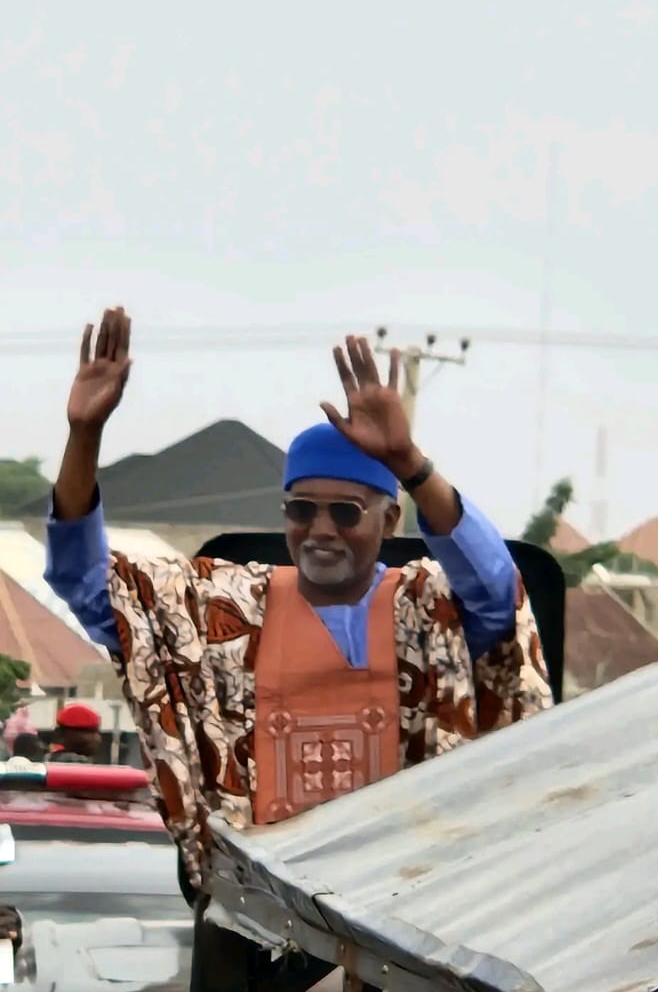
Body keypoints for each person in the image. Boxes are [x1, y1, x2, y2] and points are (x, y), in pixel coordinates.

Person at [45, 307, 552, 887]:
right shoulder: (224, 608)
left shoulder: (426, 610)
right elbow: (85, 583)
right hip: (267, 913)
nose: (321, 530)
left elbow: (496, 590)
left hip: (407, 898)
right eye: (302, 510)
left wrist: (409, 464)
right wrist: (84, 435)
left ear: (389, 521)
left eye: (346, 513)